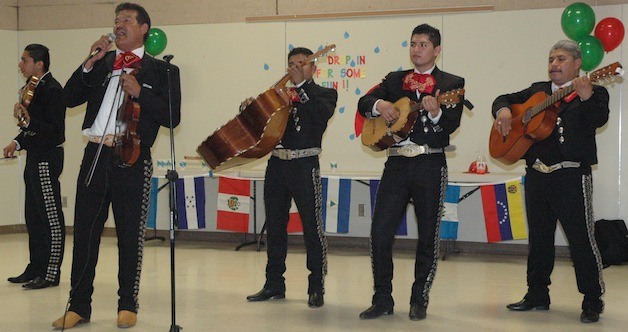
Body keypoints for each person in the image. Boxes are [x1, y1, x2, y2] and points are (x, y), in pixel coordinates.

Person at [52, 2, 181, 329]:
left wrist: (141, 93)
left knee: (129, 234)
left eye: (126, 19)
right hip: (95, 155)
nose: (118, 24)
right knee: (85, 233)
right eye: (116, 20)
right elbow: (68, 98)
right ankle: (78, 305)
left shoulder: (163, 71)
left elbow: (172, 117)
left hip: (133, 157)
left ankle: (128, 304)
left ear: (144, 29)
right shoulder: (103, 62)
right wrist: (89, 62)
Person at [493, 39, 607, 323]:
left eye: (561, 59)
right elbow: (502, 99)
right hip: (537, 176)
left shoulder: (596, 91)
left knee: (581, 239)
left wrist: (586, 97)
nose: (554, 64)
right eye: (551, 59)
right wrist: (504, 111)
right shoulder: (537, 91)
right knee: (539, 239)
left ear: (577, 63)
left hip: (571, 176)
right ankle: (536, 294)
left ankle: (592, 299)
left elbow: (599, 118)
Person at [357, 24, 464, 321]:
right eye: (413, 44)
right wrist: (380, 106)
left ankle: (419, 299)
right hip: (396, 163)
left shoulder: (451, 82)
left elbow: (450, 125)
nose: (417, 49)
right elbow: (364, 102)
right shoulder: (394, 80)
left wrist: (435, 112)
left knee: (428, 235)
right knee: (379, 233)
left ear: (437, 50)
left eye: (423, 44)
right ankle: (382, 298)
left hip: (430, 164)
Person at [245, 47, 337, 308]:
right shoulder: (277, 94)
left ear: (313, 68)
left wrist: (300, 87)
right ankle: (274, 283)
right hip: (276, 164)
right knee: (274, 227)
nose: (296, 67)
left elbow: (320, 115)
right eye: (291, 64)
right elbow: (260, 131)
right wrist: (251, 110)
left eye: (302, 63)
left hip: (305, 165)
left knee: (312, 227)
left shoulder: (325, 94)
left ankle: (316, 286)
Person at [3, 44, 66, 290]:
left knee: (50, 217)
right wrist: (16, 142)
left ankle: (51, 272)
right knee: (33, 216)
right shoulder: (31, 88)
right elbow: (30, 130)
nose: (21, 64)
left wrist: (30, 120)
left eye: (25, 60)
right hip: (34, 158)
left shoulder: (52, 90)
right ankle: (35, 267)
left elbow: (54, 131)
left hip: (47, 159)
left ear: (39, 64)